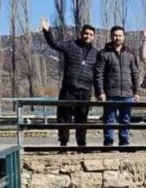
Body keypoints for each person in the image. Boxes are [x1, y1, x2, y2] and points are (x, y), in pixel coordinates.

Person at [41, 18, 101, 148]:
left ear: (94, 37)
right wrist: (47, 31)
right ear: (81, 33)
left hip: (85, 90)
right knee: (63, 116)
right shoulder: (71, 45)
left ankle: (81, 144)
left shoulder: (96, 53)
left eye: (91, 34)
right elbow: (54, 44)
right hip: (69, 88)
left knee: (82, 118)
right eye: (86, 33)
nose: (87, 36)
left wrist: (98, 91)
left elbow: (97, 74)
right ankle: (63, 143)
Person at [96, 25, 138, 147]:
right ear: (111, 36)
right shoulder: (104, 54)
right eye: (115, 35)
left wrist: (136, 91)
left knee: (125, 120)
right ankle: (108, 143)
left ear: (124, 37)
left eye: (120, 35)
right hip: (111, 93)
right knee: (110, 120)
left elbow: (135, 73)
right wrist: (101, 91)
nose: (117, 38)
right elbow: (99, 74)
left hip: (127, 93)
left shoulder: (130, 54)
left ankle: (124, 143)